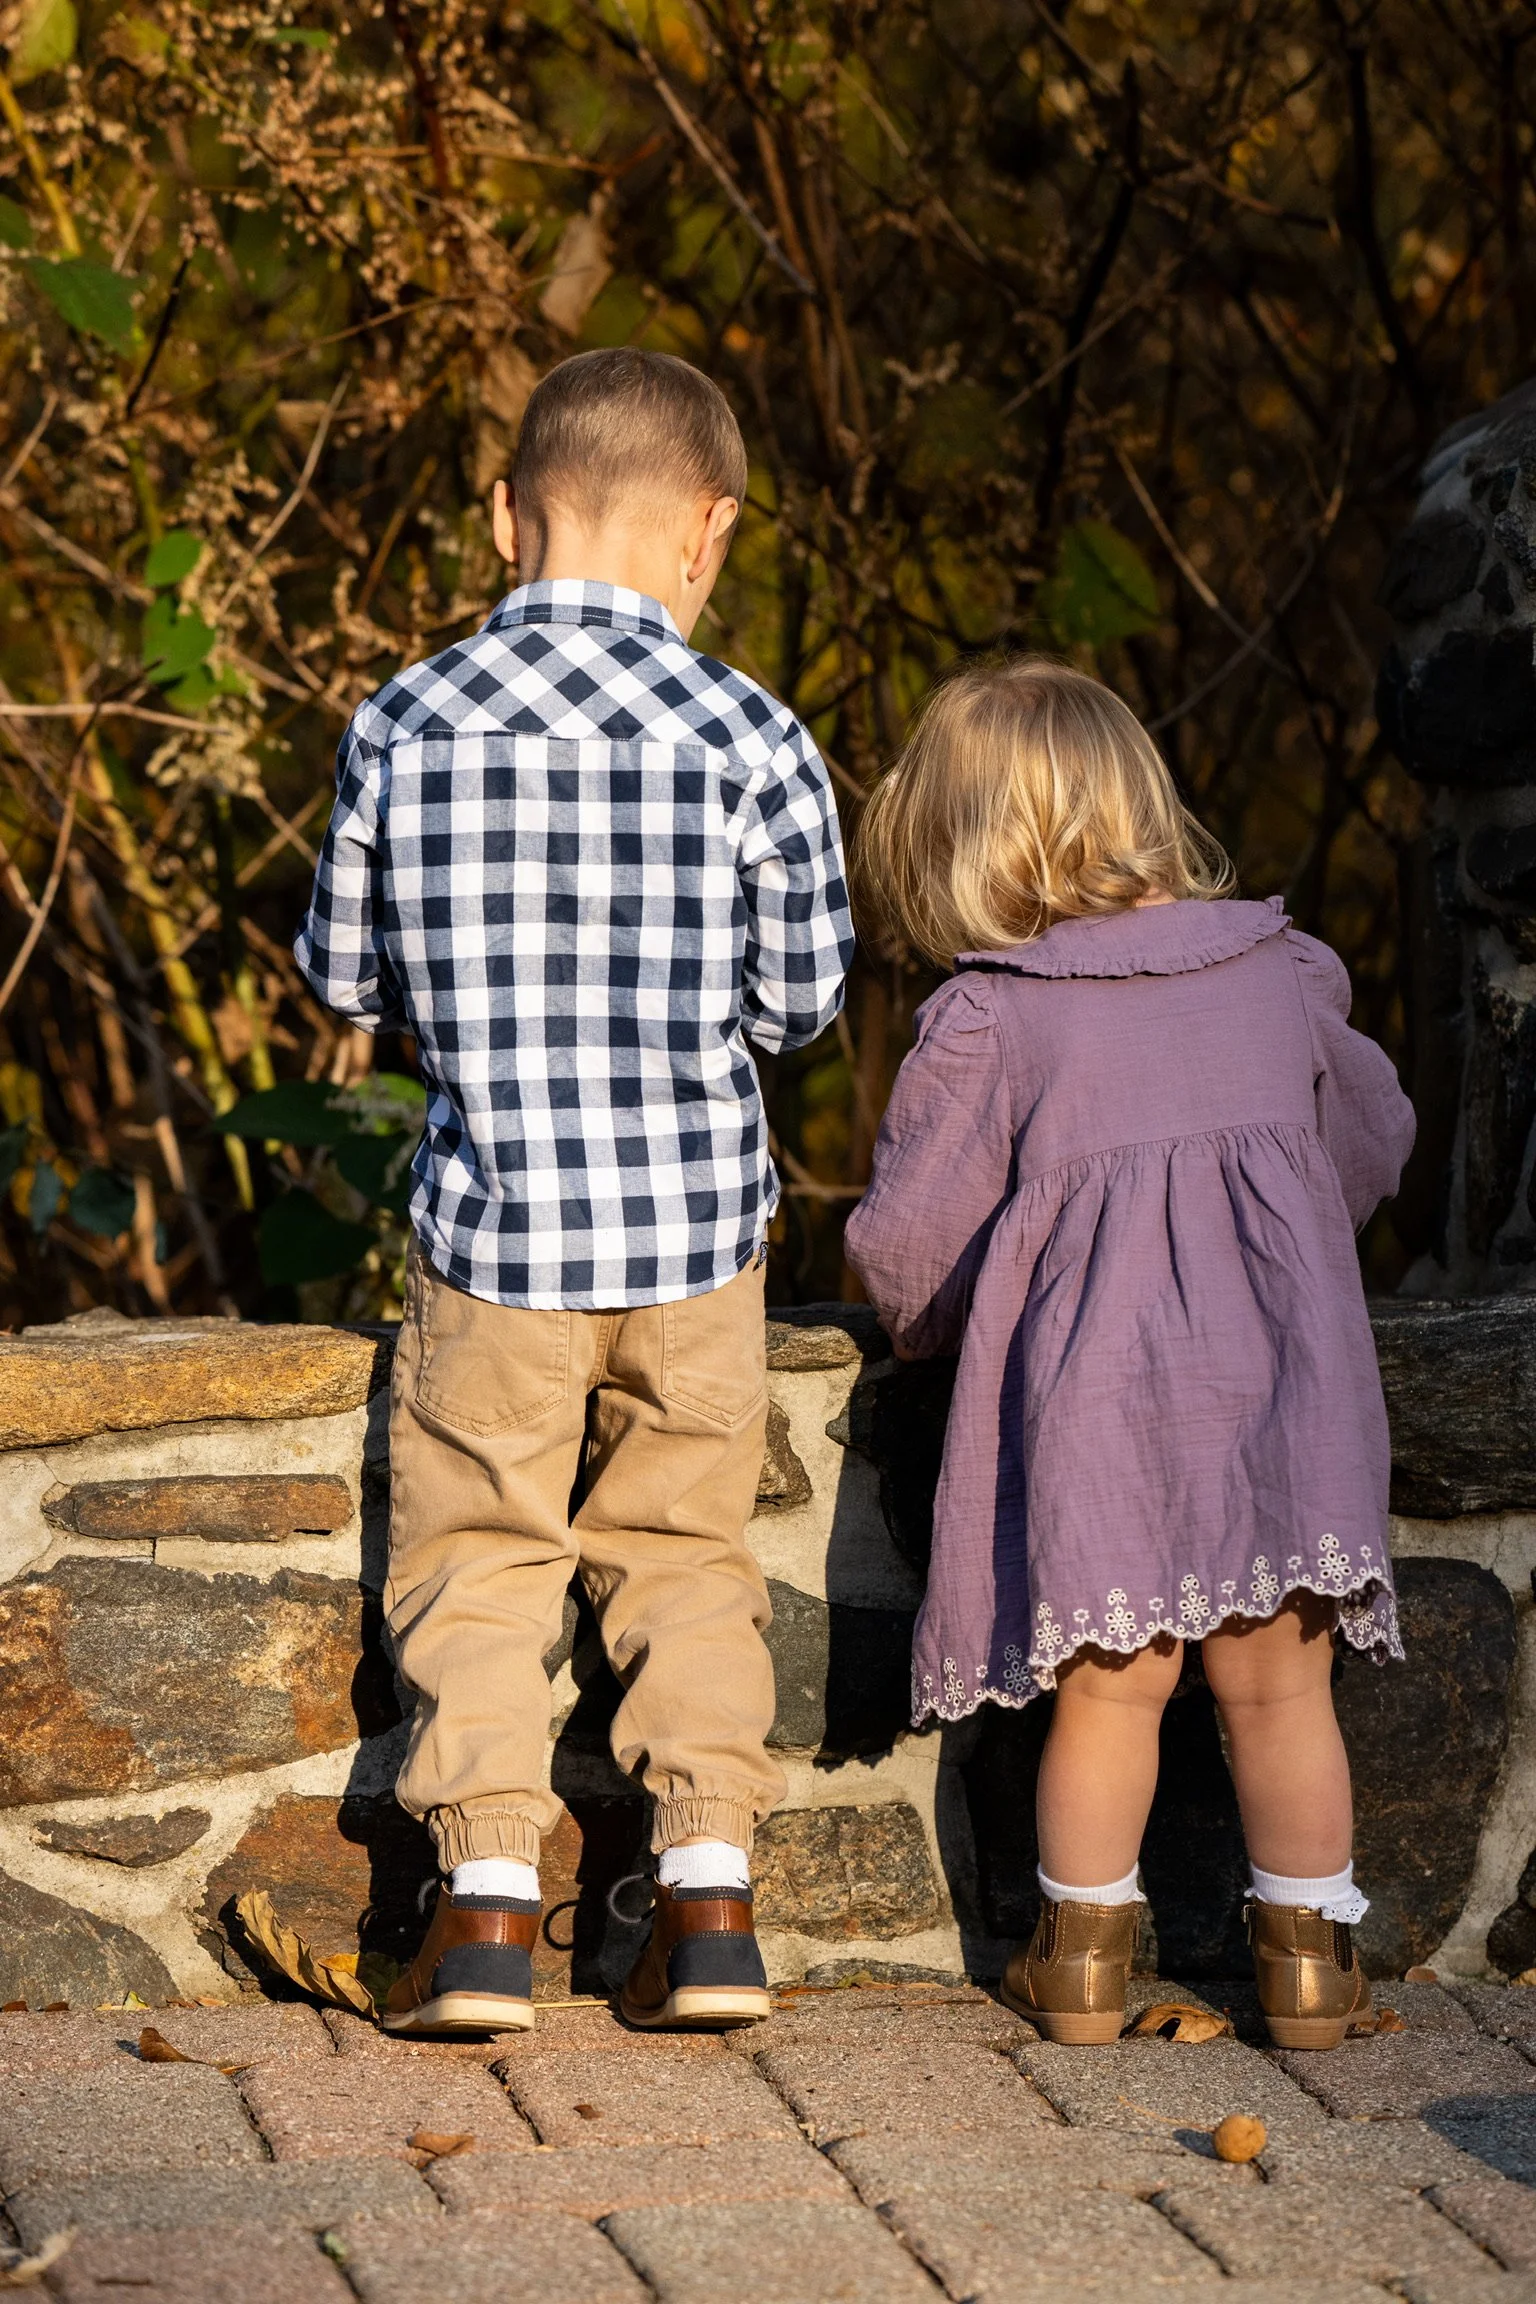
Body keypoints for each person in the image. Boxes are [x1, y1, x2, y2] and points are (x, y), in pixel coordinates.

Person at [296, 348, 853, 2036]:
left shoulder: (401, 717)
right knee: (687, 1558)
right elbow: (805, 998)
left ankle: (477, 1914)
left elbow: (342, 978)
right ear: (709, 535)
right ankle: (707, 1902)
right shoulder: (758, 732)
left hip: (496, 1238)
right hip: (694, 1242)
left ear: (504, 519)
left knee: (476, 1559)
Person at [844, 658, 1414, 2051]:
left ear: (965, 842)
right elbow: (1372, 1144)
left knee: (1112, 1686)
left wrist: (947, 1326)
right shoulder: (1279, 973)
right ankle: (1310, 1969)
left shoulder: (995, 1016)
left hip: (1102, 1408)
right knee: (1282, 1687)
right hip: (1285, 1392)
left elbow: (906, 1245)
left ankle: (1082, 1964)